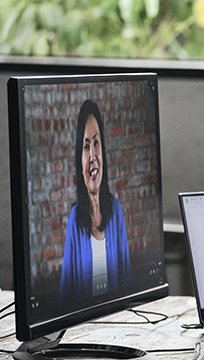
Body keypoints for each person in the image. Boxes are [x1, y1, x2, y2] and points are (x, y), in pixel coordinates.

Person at [59, 100, 132, 306]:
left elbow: (127, 279)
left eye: (96, 143)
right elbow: (65, 293)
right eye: (86, 146)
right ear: (79, 161)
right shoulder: (75, 218)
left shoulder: (115, 210)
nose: (92, 156)